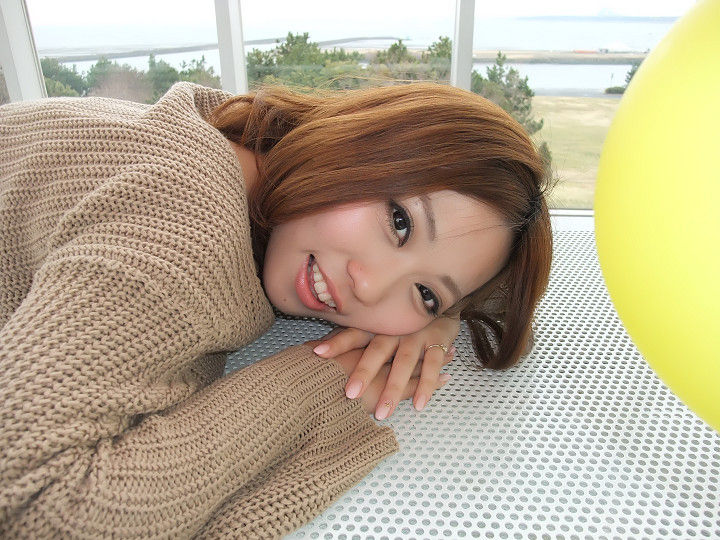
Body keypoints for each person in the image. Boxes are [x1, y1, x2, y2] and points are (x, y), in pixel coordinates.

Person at [0, 81, 552, 537]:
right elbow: (35, 510)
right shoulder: (185, 233)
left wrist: (440, 319)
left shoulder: (252, 145)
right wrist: (323, 383)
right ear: (357, 141)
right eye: (400, 222)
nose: (369, 286)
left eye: (424, 292)